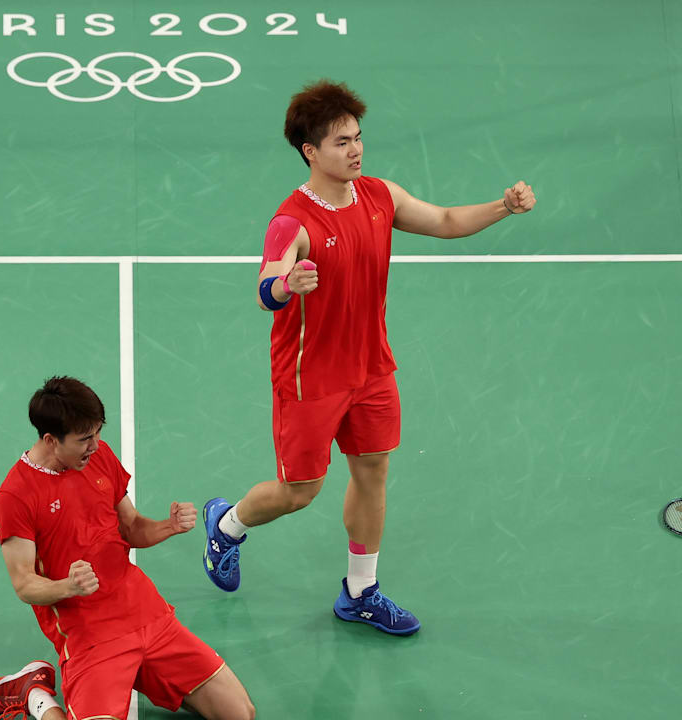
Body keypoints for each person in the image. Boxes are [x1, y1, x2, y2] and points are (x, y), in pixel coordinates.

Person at [201, 79, 536, 636]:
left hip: (372, 367)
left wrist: (503, 207)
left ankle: (361, 591)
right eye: (340, 142)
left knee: (373, 471)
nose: (355, 149)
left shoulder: (381, 196)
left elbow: (447, 221)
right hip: (311, 378)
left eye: (357, 137)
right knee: (299, 492)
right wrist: (288, 285)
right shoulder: (294, 221)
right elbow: (265, 285)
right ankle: (227, 524)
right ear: (310, 151)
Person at [0, 376, 255, 720]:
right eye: (84, 440)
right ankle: (33, 694)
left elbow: (132, 527)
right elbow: (23, 583)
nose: (95, 446)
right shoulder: (15, 496)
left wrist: (167, 526)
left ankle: (140, 672)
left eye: (97, 434)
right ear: (50, 440)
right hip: (90, 637)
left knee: (239, 714)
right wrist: (69, 586)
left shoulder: (99, 457)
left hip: (145, 614)